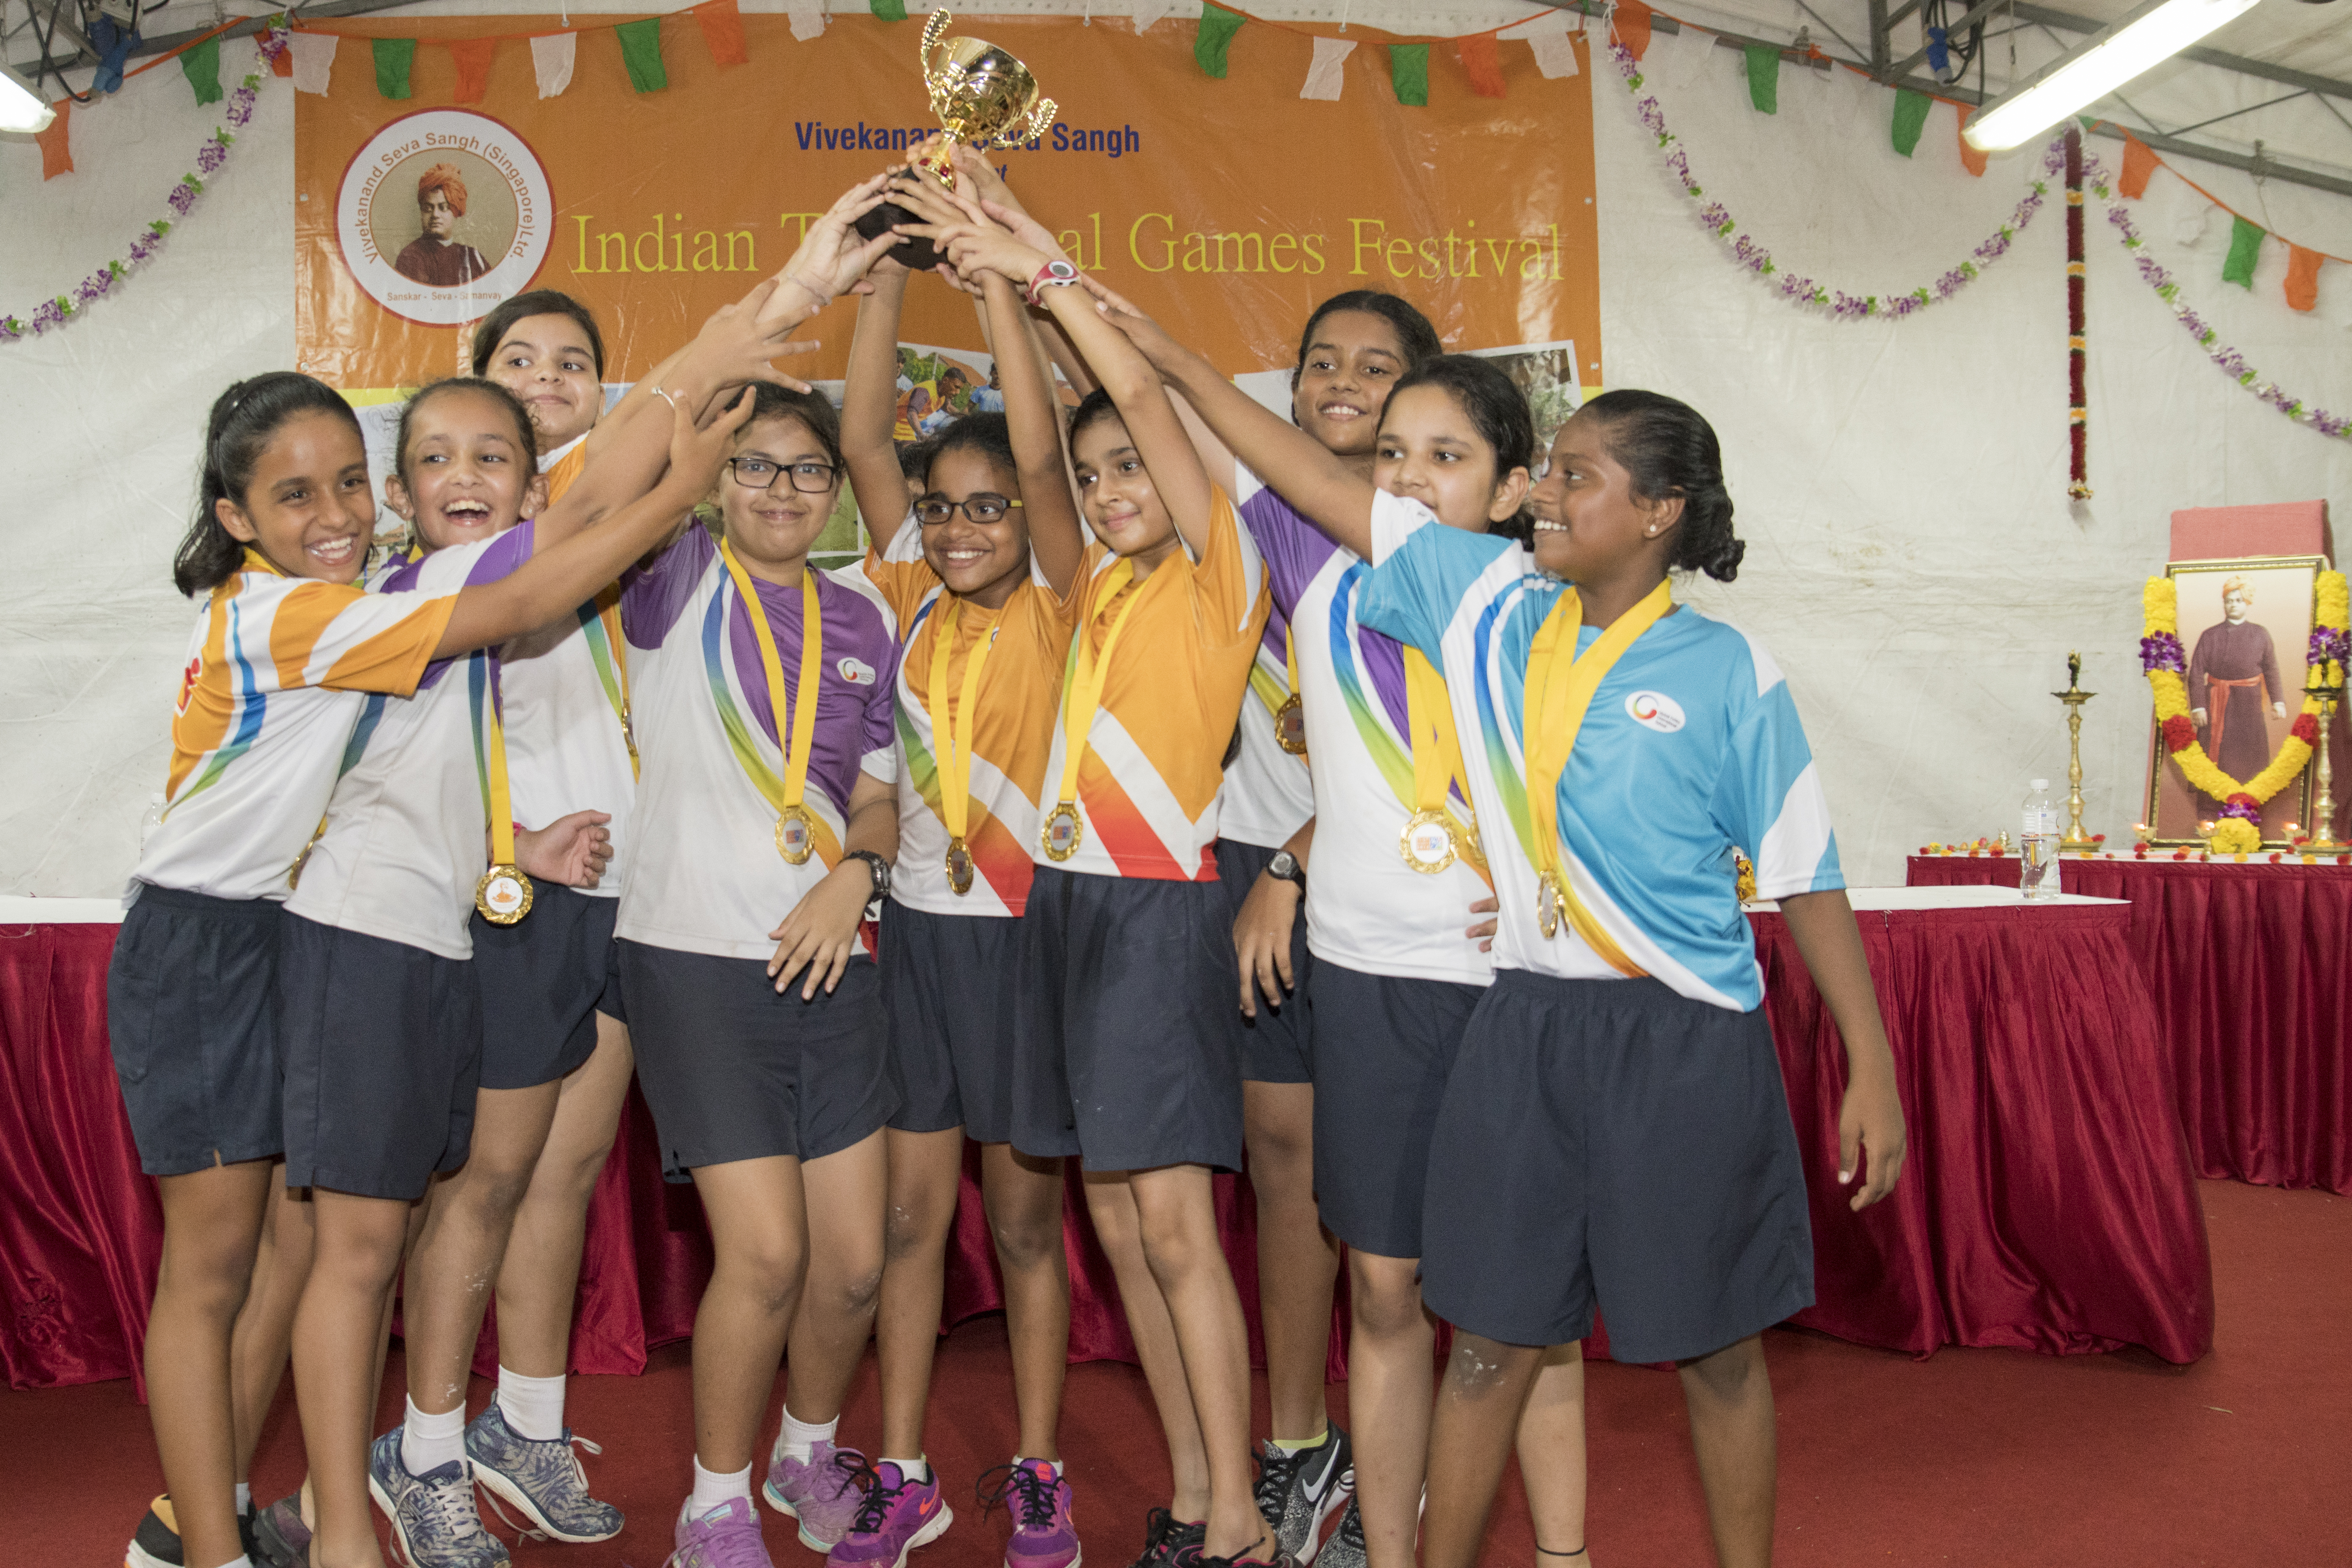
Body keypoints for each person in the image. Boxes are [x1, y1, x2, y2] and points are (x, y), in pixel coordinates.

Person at [1088, 354, 1906, 1568]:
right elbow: (1300, 467)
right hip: (1524, 1024)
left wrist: (1870, 1066)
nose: (1547, 500)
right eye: (1549, 475)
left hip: (1686, 1039)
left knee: (1717, 1352)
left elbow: (1808, 875)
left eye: (1577, 478)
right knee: (1486, 1341)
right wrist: (1131, 328)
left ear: (1661, 511)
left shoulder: (1730, 672)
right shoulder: (1481, 603)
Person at [1110, 292, 1592, 1568]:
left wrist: (1555, 881)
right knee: (1381, 1285)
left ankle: (1559, 1552)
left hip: (1508, 985)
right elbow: (1196, 429)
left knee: (1518, 1306)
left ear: (1507, 490)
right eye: (1392, 454)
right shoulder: (1317, 567)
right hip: (1367, 980)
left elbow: (1591, 790)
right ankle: (1385, 1550)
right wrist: (1093, 307)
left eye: (1447, 457)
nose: (1410, 477)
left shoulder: (1533, 601)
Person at [914, 182, 1285, 1568]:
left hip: (1150, 910)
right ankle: (1195, 1491)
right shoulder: (1089, 585)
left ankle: (1237, 1515)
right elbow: (1031, 440)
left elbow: (1126, 387)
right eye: (1101, 473)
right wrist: (994, 296)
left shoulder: (1212, 571)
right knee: (1120, 1222)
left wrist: (1048, 265)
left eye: (1140, 464)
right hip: (1059, 911)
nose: (1117, 488)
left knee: (1175, 1226)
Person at [829, 203, 1089, 1568]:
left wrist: (994, 284)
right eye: (942, 509)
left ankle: (1038, 1470)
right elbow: (867, 439)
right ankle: (908, 1469)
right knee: (913, 1219)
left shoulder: (1056, 595)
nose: (960, 526)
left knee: (1025, 1223)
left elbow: (1041, 452)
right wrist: (877, 285)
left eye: (984, 506)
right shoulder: (905, 589)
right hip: (916, 949)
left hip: (1026, 944)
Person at [618, 378, 906, 1568]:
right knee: (771, 1254)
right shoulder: (673, 579)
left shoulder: (866, 620)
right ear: (718, 484)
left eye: (805, 470)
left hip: (836, 957)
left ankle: (806, 1451)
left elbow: (881, 792)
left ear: (835, 492)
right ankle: (716, 1504)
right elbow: (643, 460)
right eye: (756, 466)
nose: (781, 490)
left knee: (850, 1263)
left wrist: (857, 873)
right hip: (691, 962)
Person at [2187, 575, 2286, 809]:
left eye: (2238, 600)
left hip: (2248, 705)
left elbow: (2272, 670)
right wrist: (2198, 706)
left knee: (2248, 756)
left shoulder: (2260, 634)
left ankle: (2247, 808)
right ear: (2224, 604)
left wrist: (2278, 701)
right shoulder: (2210, 635)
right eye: (2229, 601)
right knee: (2216, 757)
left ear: (2247, 603)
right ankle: (2211, 810)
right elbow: (2196, 672)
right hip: (2215, 704)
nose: (2233, 605)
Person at [394, 164, 492, 289]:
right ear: (421, 213)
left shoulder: (472, 256)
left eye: (443, 208)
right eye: (428, 209)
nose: (435, 215)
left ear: (455, 212)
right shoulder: (411, 257)